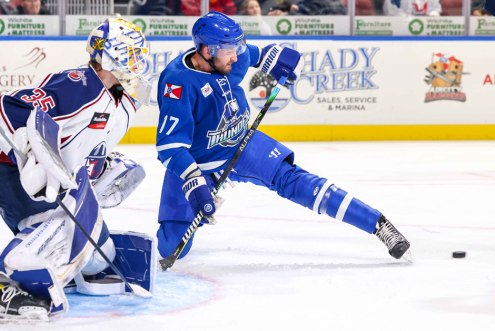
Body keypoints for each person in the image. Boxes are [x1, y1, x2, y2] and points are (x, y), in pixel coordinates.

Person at [155, 12, 412, 264]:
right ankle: (196, 206)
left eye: (236, 46)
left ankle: (378, 224)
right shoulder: (178, 83)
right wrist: (194, 180)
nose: (236, 55)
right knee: (171, 248)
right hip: (197, 164)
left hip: (242, 144)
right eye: (228, 49)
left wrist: (280, 56)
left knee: (294, 179)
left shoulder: (229, 57)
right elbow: (170, 148)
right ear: (207, 50)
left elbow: (261, 54)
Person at [0, 18, 154, 323]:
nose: (139, 61)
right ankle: (6, 286)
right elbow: (8, 108)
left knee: (99, 258)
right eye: (133, 54)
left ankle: (64, 266)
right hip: (11, 176)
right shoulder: (79, 85)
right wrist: (34, 156)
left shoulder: (120, 101)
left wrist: (101, 169)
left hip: (58, 186)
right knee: (59, 230)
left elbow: (82, 147)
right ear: (112, 55)